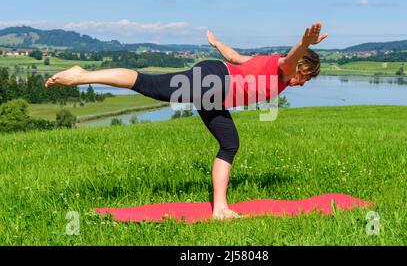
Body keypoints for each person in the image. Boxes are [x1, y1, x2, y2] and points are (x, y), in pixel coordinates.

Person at [45, 22, 327, 219]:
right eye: (305, 77)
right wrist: (304, 43)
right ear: (301, 67)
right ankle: (82, 75)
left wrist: (216, 43)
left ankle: (220, 209)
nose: (302, 82)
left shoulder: (268, 63)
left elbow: (234, 56)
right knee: (149, 84)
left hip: (214, 88)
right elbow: (291, 58)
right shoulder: (284, 67)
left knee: (229, 143)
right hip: (214, 81)